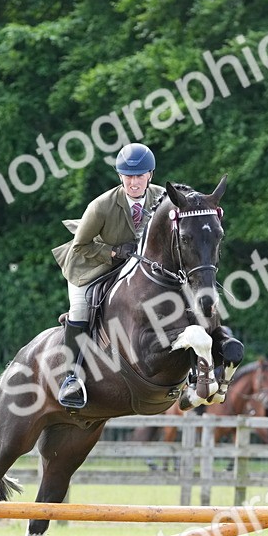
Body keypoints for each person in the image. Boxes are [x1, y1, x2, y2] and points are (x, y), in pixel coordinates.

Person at [50, 142, 161, 409]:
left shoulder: (161, 200)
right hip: (91, 266)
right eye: (128, 176)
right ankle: (71, 378)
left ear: (150, 175)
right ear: (120, 176)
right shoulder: (101, 205)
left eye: (139, 176)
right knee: (80, 309)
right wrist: (112, 252)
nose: (134, 182)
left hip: (135, 268)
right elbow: (80, 246)